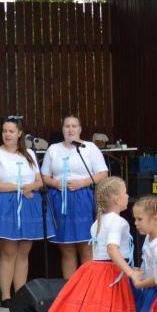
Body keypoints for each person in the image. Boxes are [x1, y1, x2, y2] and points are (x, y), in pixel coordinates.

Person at [48, 177, 142, 312]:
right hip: (114, 274)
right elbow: (112, 249)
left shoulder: (97, 222)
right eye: (125, 192)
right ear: (117, 199)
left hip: (98, 274)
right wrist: (129, 272)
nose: (128, 196)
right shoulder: (119, 222)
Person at [0, 116, 44, 307]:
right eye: (4, 131)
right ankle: (6, 296)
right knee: (8, 251)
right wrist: (18, 188)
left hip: (29, 203)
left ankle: (20, 294)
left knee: (24, 251)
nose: (7, 134)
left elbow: (39, 181)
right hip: (5, 204)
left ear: (19, 133)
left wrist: (30, 187)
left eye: (11, 131)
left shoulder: (29, 154)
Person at [41, 114, 110, 279]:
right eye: (67, 126)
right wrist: (55, 183)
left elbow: (103, 174)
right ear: (62, 129)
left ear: (80, 129)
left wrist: (83, 182)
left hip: (83, 199)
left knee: (86, 247)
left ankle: (87, 288)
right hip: (60, 200)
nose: (70, 129)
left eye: (74, 126)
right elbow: (43, 176)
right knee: (66, 249)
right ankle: (70, 288)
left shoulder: (89, 147)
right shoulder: (53, 149)